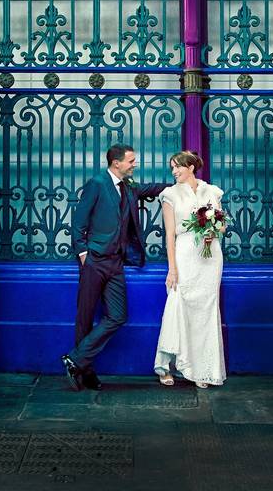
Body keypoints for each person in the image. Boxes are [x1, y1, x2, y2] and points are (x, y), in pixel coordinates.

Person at [62, 143, 169, 391]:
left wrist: (182, 184)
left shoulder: (129, 186)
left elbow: (151, 188)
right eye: (131, 161)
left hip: (116, 262)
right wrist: (83, 254)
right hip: (95, 261)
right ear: (116, 163)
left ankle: (75, 360)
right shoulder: (97, 184)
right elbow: (79, 221)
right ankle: (85, 373)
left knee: (118, 315)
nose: (135, 164)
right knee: (85, 317)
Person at [153, 151, 226, 388]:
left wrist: (213, 226)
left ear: (191, 167)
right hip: (185, 255)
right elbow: (170, 235)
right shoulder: (170, 195)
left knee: (206, 311)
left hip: (210, 256)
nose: (174, 171)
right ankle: (166, 366)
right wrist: (172, 269)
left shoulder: (212, 191)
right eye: (172, 168)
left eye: (178, 167)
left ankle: (202, 370)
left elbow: (223, 226)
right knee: (178, 306)